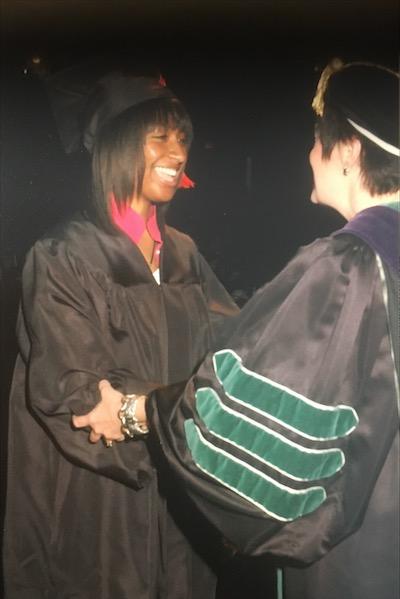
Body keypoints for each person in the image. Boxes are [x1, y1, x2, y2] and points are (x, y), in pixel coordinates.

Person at [76, 60, 399, 599]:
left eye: (318, 142)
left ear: (348, 152)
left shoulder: (349, 264)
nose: (309, 155)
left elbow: (250, 425)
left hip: (360, 560)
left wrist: (137, 412)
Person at [2, 68, 238, 599]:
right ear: (115, 143)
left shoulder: (184, 254)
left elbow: (230, 352)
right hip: (100, 497)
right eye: (159, 135)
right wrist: (177, 444)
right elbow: (73, 395)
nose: (177, 150)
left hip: (180, 500)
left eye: (182, 138)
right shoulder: (66, 254)